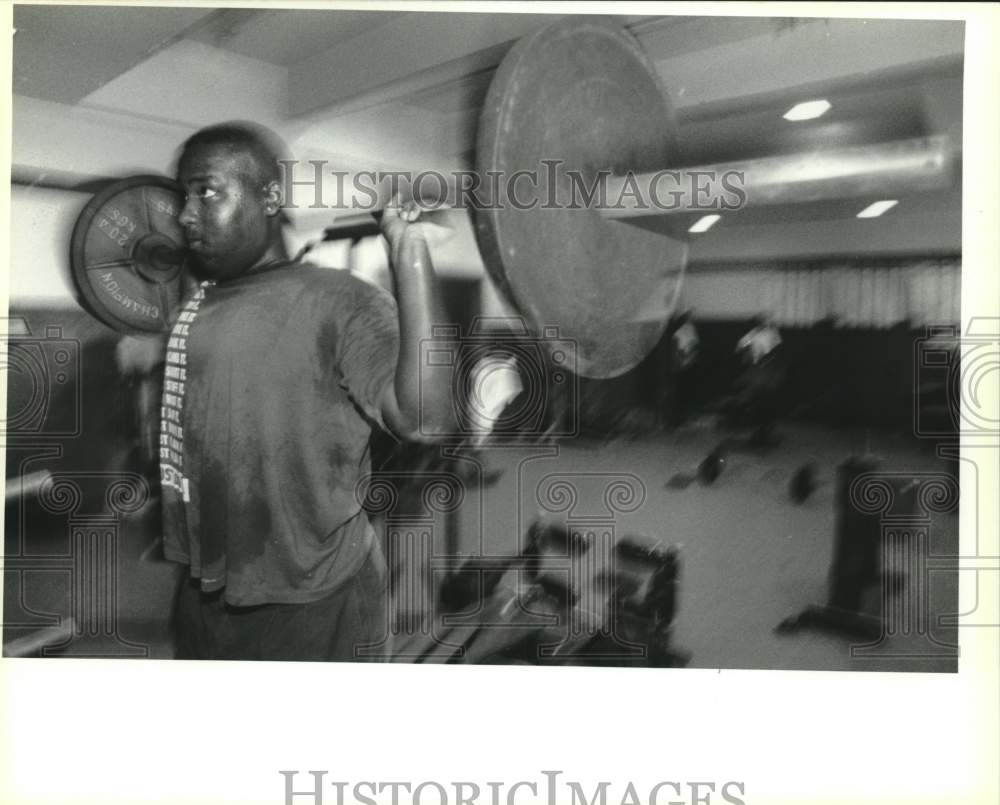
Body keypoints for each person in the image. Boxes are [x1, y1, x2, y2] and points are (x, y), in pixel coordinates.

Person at [160, 121, 455, 661]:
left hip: (313, 600)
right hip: (207, 585)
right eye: (183, 195)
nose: (185, 214)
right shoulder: (199, 299)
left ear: (271, 197)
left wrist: (411, 257)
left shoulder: (340, 302)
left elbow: (425, 419)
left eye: (206, 192)